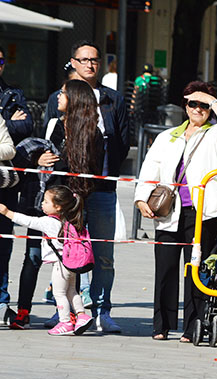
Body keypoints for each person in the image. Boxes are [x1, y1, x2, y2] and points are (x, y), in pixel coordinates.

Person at [134, 81, 217, 342]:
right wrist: (140, 200)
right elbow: (149, 170)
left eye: (204, 104)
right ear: (185, 105)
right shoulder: (167, 136)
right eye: (193, 103)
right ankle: (162, 324)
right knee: (166, 268)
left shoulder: (216, 134)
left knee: (197, 270)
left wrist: (213, 101)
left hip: (204, 212)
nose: (198, 108)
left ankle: (194, 326)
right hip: (169, 211)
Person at [44, 40, 130, 333]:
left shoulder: (113, 99)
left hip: (102, 189)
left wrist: (107, 172)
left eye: (95, 60)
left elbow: (122, 141)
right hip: (70, 193)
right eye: (84, 59)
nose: (91, 64)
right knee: (69, 253)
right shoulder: (59, 96)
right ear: (74, 62)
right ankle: (67, 310)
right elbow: (50, 139)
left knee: (104, 254)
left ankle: (102, 310)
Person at [10, 79, 104, 330]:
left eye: (63, 93)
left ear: (75, 99)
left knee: (68, 260)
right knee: (32, 256)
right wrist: (39, 158)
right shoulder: (53, 124)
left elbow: (92, 171)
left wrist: (61, 167)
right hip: (44, 201)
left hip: (71, 207)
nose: (58, 96)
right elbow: (42, 153)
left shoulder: (92, 132)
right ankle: (24, 310)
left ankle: (73, 314)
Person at [0, 186, 94, 336]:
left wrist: (7, 212)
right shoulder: (69, 220)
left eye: (45, 201)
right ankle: (81, 315)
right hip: (71, 264)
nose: (42, 204)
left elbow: (28, 221)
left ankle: (65, 322)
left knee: (59, 293)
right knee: (72, 291)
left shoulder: (48, 222)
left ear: (57, 206)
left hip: (60, 264)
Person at [0, 44, 33, 324]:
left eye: (0, 60)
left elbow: (27, 126)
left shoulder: (13, 93)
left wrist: (4, 127)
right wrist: (7, 122)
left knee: (3, 243)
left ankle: (0, 301)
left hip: (4, 183)